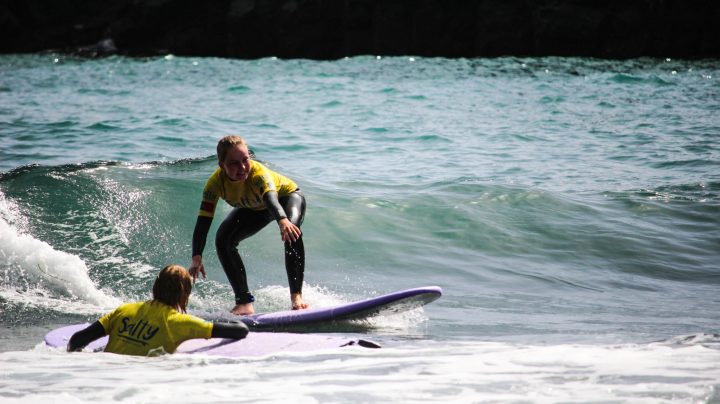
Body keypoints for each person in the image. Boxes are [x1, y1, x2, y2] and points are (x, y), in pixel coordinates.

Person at [189, 135, 309, 315]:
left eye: (245, 160)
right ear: (222, 165)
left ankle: (296, 297)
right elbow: (203, 222)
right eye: (234, 163)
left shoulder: (258, 174)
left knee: (291, 231)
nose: (243, 167)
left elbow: (270, 199)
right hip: (255, 208)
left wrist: (283, 220)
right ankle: (244, 303)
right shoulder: (214, 185)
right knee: (223, 239)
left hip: (285, 198)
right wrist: (196, 255)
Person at [67, 264, 249, 356]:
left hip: (106, 375)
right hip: (142, 383)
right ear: (184, 294)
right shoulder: (179, 323)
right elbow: (240, 330)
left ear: (156, 286)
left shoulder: (124, 310)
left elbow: (77, 340)